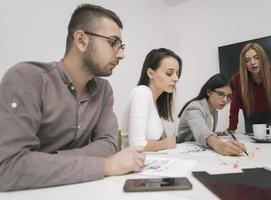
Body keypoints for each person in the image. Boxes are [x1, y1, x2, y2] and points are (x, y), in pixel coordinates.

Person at [0, 4, 144, 191]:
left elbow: (109, 144)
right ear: (81, 40)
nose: (122, 54)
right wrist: (105, 166)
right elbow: (9, 167)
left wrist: (45, 160)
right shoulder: (26, 78)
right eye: (112, 42)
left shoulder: (104, 90)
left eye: (121, 46)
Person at [121, 48, 182, 151]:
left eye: (177, 73)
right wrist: (165, 143)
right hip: (133, 164)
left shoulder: (158, 101)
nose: (176, 78)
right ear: (150, 73)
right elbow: (136, 146)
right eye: (169, 73)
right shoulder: (142, 92)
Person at [176, 73, 247, 156]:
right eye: (221, 94)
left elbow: (204, 129)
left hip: (197, 151)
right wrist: (220, 145)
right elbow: (201, 130)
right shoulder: (194, 107)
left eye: (228, 96)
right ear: (209, 92)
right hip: (183, 153)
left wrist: (215, 133)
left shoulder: (213, 109)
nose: (225, 100)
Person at [228, 42, 271, 134]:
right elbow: (234, 105)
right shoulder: (237, 79)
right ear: (244, 64)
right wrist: (231, 129)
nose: (252, 62)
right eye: (247, 60)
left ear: (262, 58)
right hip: (250, 117)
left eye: (256, 58)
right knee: (253, 146)